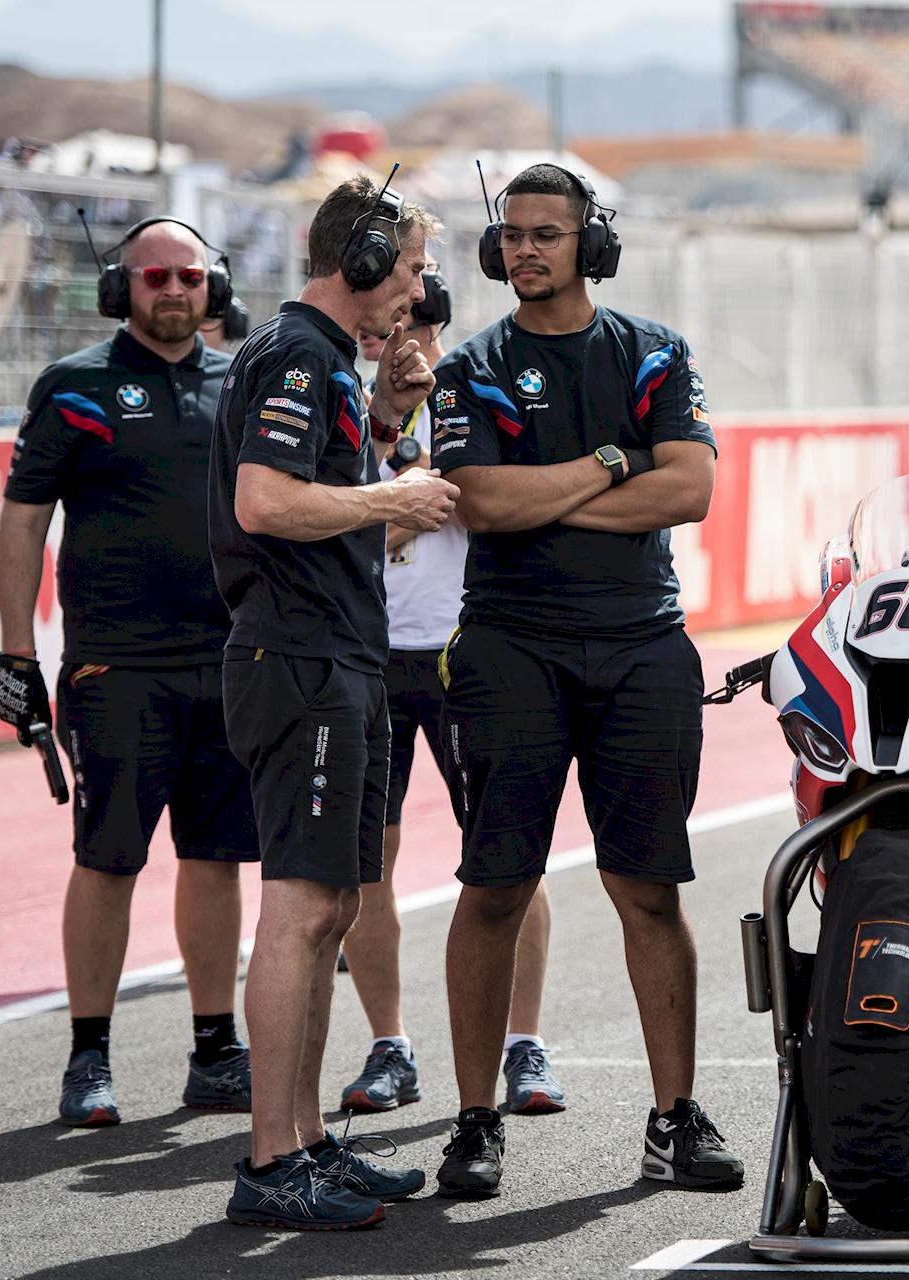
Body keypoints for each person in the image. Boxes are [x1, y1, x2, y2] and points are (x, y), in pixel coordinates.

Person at [427, 162, 739, 1197]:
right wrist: (613, 466)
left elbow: (688, 487)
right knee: (496, 885)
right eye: (511, 234)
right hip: (510, 647)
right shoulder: (469, 364)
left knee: (649, 888)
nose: (525, 250)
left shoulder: (654, 350)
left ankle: (674, 1114)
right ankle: (476, 1120)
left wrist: (545, 495)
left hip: (643, 645)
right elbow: (478, 503)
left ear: (588, 245)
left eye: (546, 235)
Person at [209, 175, 457, 1230]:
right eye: (405, 268)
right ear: (354, 261)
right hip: (300, 661)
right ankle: (271, 1155)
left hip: (336, 660)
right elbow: (264, 501)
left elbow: (330, 498)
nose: (414, 289)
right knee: (304, 906)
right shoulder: (301, 354)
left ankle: (305, 1140)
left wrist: (389, 421)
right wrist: (395, 491)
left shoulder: (326, 363)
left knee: (336, 906)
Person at [0, 217, 256, 1127]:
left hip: (230, 663)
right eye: (154, 276)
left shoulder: (243, 383)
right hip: (116, 666)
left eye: (188, 275)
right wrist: (17, 657)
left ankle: (217, 1051)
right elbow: (22, 523)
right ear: (123, 289)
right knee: (108, 860)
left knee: (216, 859)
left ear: (212, 286)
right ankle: (88, 1059)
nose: (172, 290)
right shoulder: (72, 387)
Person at [338, 272, 568, 1118]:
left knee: (506, 854)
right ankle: (388, 1046)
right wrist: (397, 505)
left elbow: (481, 506)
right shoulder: (340, 405)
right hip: (368, 656)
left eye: (414, 323)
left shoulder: (473, 391)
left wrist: (392, 509)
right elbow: (348, 523)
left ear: (434, 324)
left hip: (468, 651)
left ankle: (523, 1044)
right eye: (382, 326)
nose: (396, 340)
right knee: (369, 865)